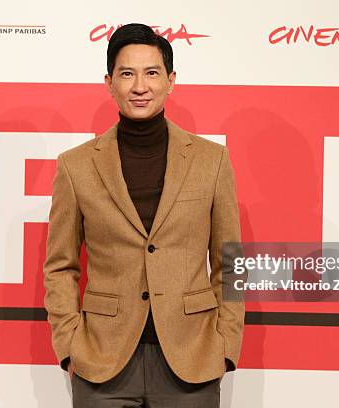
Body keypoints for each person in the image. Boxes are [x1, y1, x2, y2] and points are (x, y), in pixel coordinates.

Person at [43, 23, 246, 407]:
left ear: (171, 81)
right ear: (109, 82)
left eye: (152, 73)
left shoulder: (211, 160)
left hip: (192, 357)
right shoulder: (76, 167)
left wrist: (226, 343)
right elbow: (60, 265)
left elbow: (230, 260)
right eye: (127, 73)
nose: (140, 86)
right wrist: (70, 345)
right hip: (102, 361)